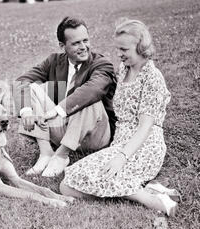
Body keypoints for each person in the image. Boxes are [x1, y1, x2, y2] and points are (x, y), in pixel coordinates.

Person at [59, 18, 179, 216]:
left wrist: (121, 158)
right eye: (118, 49)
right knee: (68, 183)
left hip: (143, 146)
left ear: (141, 47)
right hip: (121, 143)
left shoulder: (152, 77)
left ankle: (147, 198)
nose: (119, 54)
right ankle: (147, 190)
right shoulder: (124, 70)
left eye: (124, 50)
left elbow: (144, 128)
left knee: (71, 184)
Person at [14, 17, 117, 177]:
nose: (84, 47)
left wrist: (59, 109)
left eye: (85, 40)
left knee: (88, 97)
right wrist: (26, 112)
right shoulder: (54, 61)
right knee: (31, 88)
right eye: (76, 43)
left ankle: (61, 156)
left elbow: (94, 89)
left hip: (95, 134)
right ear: (63, 46)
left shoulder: (102, 64)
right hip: (65, 128)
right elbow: (22, 81)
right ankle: (46, 152)